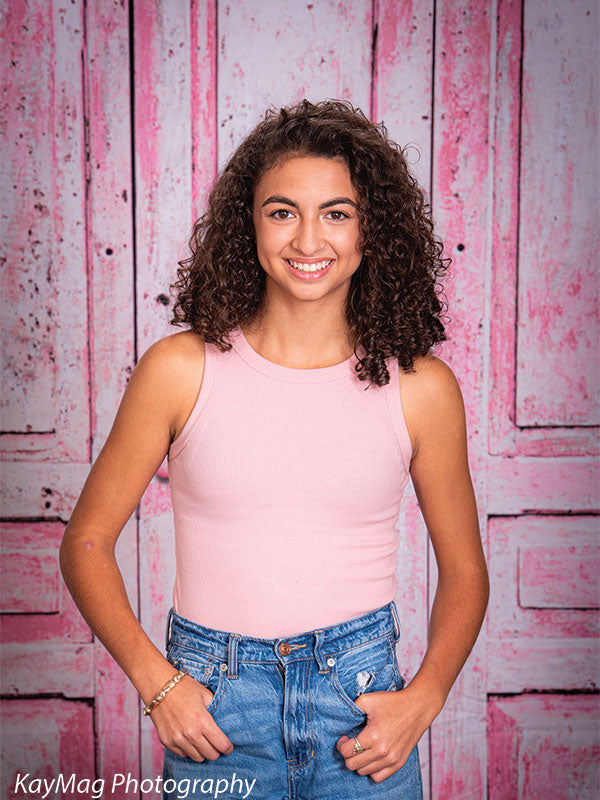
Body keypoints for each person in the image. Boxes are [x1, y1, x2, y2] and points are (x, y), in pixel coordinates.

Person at [60, 98, 489, 799]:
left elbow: (466, 573)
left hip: (361, 715)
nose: (309, 240)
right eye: (283, 211)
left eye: (338, 213)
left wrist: (425, 697)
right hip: (219, 713)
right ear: (249, 223)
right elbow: (85, 543)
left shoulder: (422, 388)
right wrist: (158, 684)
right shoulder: (179, 369)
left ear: (371, 230)